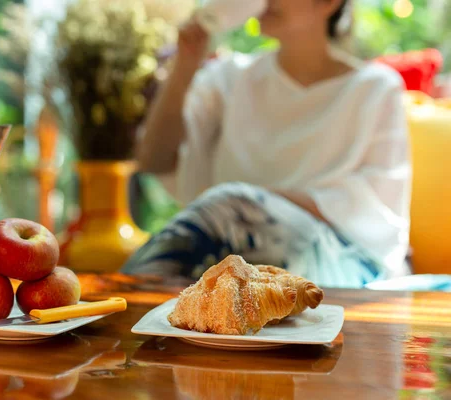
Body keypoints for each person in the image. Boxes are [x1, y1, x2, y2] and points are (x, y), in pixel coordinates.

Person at [122, 0, 411, 288]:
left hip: (344, 262)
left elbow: (374, 207)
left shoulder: (375, 89)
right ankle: (115, 315)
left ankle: (115, 305)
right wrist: (185, 62)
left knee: (230, 210)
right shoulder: (230, 78)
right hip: (233, 253)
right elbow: (152, 160)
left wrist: (246, 203)